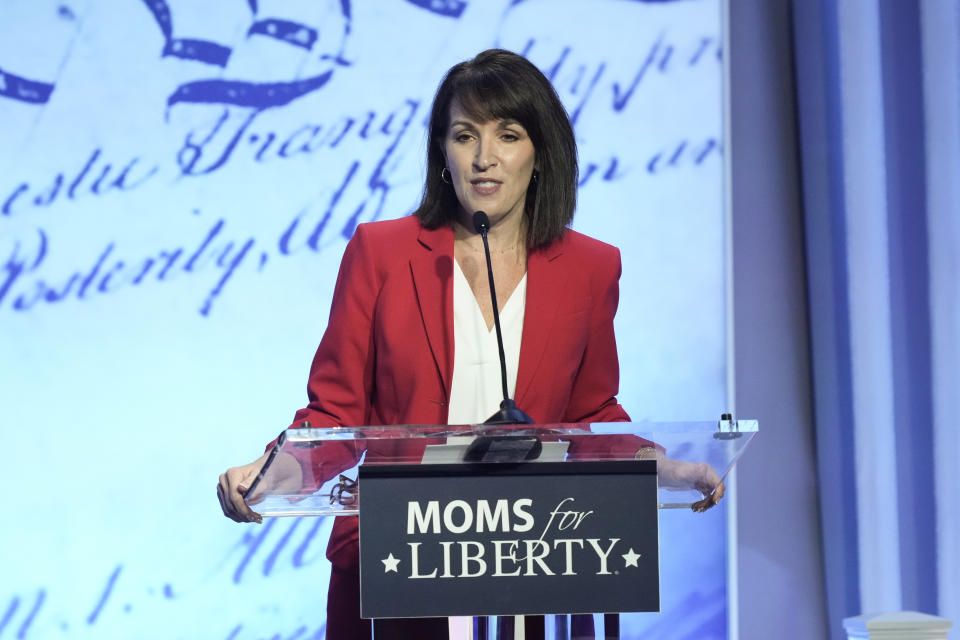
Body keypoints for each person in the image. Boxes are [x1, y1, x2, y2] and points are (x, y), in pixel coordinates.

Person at [218, 48, 724, 639]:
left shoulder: (590, 267)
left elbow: (592, 417)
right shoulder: (381, 254)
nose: (485, 158)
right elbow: (335, 414)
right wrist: (268, 472)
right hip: (397, 564)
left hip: (539, 563)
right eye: (465, 135)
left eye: (508, 135)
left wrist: (665, 469)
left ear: (539, 152)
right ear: (443, 152)